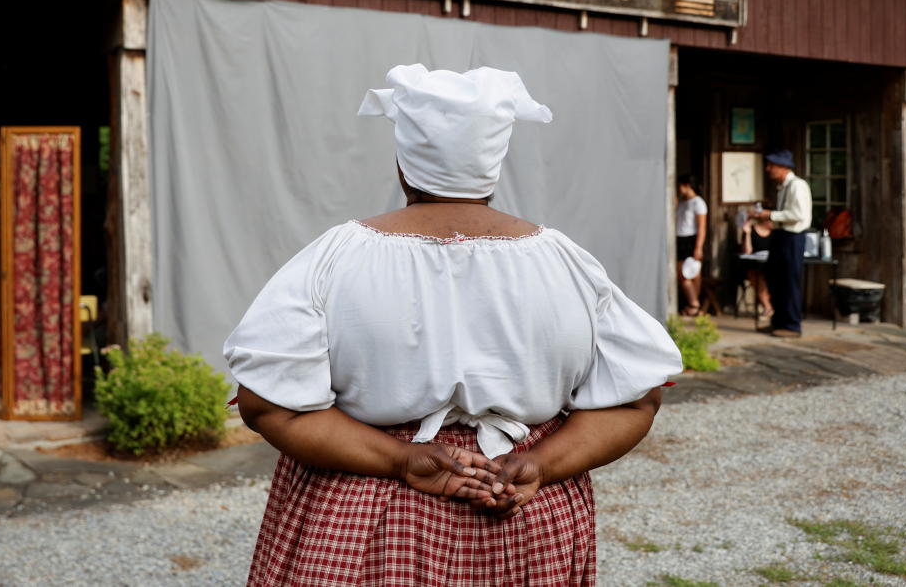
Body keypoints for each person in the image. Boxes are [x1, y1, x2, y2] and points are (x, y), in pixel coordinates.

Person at [224, 64, 683, 586]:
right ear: (493, 163)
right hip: (522, 507)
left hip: (364, 515)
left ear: (403, 166)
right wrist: (541, 465)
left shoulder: (336, 257)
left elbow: (265, 404)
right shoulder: (565, 262)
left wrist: (401, 459)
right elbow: (638, 398)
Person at [752, 149, 813, 337]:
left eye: (772, 165)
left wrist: (770, 215)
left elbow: (799, 215)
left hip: (793, 237)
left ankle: (792, 325)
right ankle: (779, 321)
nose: (768, 169)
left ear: (783, 167)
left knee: (789, 281)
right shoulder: (783, 187)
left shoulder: (797, 186)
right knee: (776, 279)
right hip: (781, 235)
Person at [675, 175, 708, 315]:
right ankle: (695, 305)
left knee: (688, 274)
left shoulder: (698, 202)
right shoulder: (682, 201)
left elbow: (702, 227)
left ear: (687, 185)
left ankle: (694, 305)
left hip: (691, 239)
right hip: (680, 238)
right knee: (685, 274)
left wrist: (698, 247)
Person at [739, 211, 775, 322]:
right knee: (756, 275)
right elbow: (747, 251)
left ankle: (770, 307)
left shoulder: (775, 232)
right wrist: (748, 233)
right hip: (756, 265)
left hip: (771, 264)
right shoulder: (752, 230)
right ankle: (768, 307)